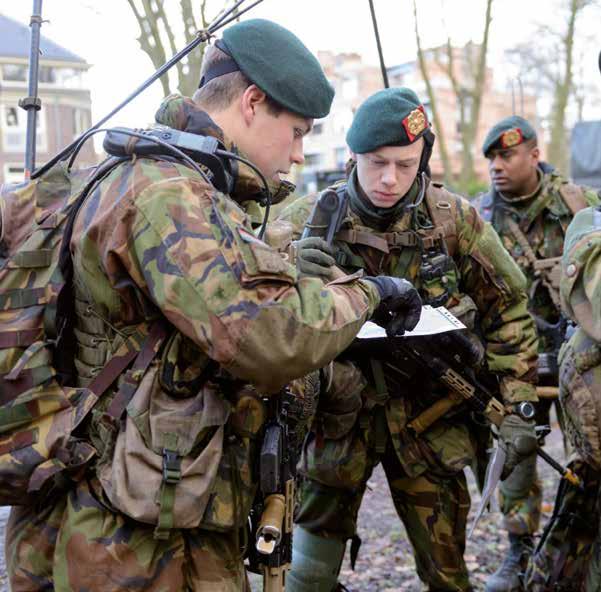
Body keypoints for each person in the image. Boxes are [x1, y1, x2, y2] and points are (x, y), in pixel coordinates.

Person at [4, 20, 424, 592]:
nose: (300, 154)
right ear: (252, 103)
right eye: (297, 132)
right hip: (133, 538)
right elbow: (271, 336)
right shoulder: (170, 194)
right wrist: (370, 292)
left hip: (91, 497)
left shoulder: (116, 172)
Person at [276, 87, 539, 592]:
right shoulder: (305, 222)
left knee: (447, 573)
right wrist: (290, 274)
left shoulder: (453, 221)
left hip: (430, 424)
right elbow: (251, 319)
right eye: (376, 163)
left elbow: (508, 309)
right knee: (305, 575)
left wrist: (520, 405)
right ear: (352, 155)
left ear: (423, 157)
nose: (390, 179)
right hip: (335, 427)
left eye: (405, 163)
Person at [475, 116, 600, 592]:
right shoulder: (482, 216)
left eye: (506, 156)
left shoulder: (580, 205)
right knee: (515, 452)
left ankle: (579, 550)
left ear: (533, 153)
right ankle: (519, 552)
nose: (497, 167)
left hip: (578, 365)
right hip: (517, 363)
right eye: (491, 159)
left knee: (586, 457)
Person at [526, 204, 601, 591]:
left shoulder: (568, 200)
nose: (499, 167)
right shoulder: (591, 221)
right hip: (538, 356)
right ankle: (517, 544)